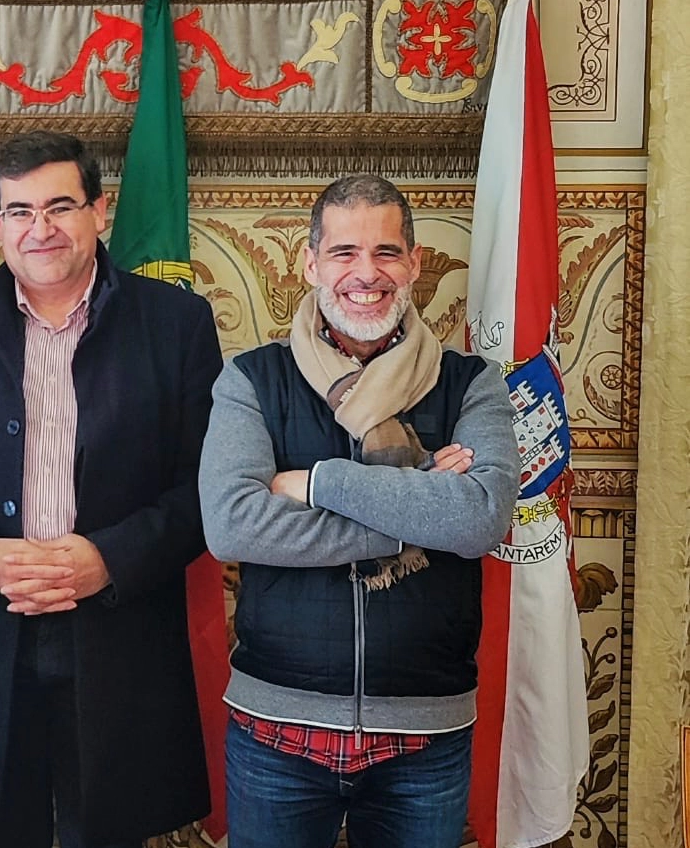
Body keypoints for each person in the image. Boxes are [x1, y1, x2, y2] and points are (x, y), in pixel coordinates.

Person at [0, 130, 221, 848]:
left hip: (119, 630)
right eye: (19, 212)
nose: (39, 229)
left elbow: (208, 486)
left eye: (60, 206)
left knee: (105, 830)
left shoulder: (176, 324)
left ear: (100, 212)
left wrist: (108, 557)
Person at [198, 174, 518, 848]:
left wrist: (315, 482)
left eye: (385, 253)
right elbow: (232, 524)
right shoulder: (252, 379)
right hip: (275, 728)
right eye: (343, 253)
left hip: (426, 735)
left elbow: (480, 521)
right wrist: (422, 498)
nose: (365, 275)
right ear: (311, 263)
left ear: (415, 263)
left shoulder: (471, 384)